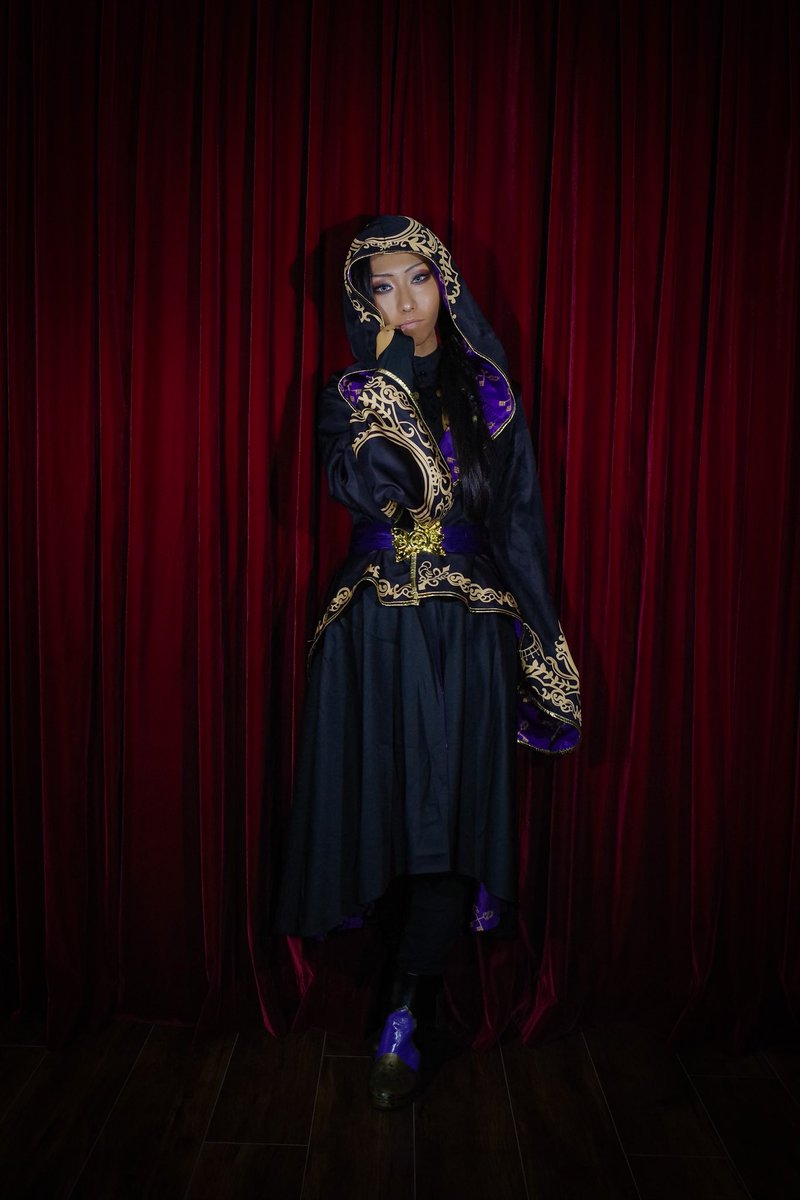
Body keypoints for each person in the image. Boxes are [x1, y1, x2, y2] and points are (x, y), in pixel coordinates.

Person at [274, 215, 581, 1108]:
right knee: (380, 800)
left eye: (419, 278)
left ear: (445, 282)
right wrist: (389, 375)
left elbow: (518, 526)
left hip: (468, 628)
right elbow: (368, 485)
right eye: (383, 285)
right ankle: (395, 979)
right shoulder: (351, 393)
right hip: (372, 629)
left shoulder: (490, 394)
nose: (405, 301)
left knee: (450, 808)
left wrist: (543, 643)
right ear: (361, 300)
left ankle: (406, 1010)